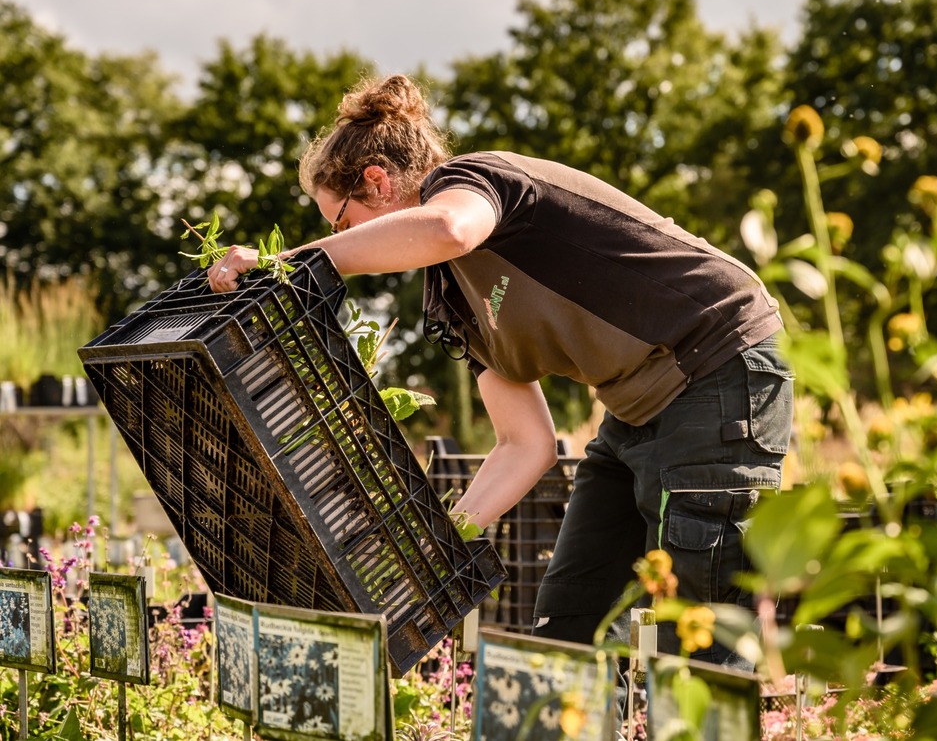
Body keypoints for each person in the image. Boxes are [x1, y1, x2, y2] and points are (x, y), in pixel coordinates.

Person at [208, 73, 794, 671]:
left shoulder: (476, 181)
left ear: (378, 182)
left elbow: (449, 228)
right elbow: (525, 443)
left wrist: (289, 263)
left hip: (720, 368)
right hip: (635, 409)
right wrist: (438, 542)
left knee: (698, 633)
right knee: (569, 622)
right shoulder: (450, 299)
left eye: (340, 222)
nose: (341, 239)